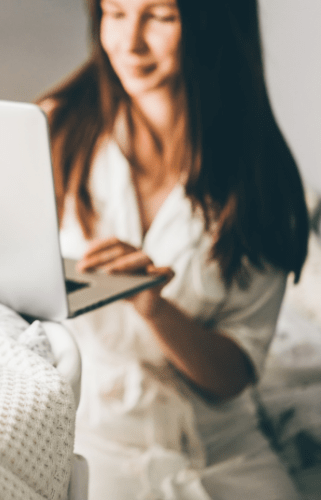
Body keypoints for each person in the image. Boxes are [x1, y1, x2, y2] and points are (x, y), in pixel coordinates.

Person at [37, 0, 309, 498]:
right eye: (114, 12)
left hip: (219, 447)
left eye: (160, 16)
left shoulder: (262, 183)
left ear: (214, 26)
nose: (128, 41)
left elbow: (231, 376)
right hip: (93, 437)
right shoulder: (53, 132)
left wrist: (153, 306)